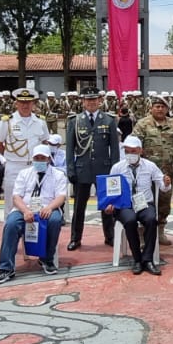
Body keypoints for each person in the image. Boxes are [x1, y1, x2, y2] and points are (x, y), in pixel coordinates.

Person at [0, 144, 67, 284]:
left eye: (42, 158)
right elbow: (16, 197)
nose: (39, 161)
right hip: (24, 208)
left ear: (48, 159)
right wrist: (25, 211)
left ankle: (47, 259)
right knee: (11, 224)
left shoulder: (58, 175)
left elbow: (61, 196)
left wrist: (50, 208)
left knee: (55, 221)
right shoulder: (24, 173)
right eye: (36, 158)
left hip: (47, 207)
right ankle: (6, 268)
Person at [65, 87, 120, 251]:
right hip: (82, 170)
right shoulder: (74, 121)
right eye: (88, 100)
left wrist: (114, 170)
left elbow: (115, 150)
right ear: (83, 102)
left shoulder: (109, 120)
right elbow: (69, 149)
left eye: (94, 100)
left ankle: (109, 236)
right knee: (79, 207)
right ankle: (75, 238)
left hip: (104, 169)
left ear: (100, 101)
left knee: (107, 206)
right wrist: (71, 169)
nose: (91, 103)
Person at [106, 135, 169, 276]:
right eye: (127, 151)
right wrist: (110, 203)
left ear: (141, 151)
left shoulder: (150, 166)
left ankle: (147, 259)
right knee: (130, 220)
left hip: (145, 203)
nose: (130, 154)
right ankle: (137, 258)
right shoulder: (117, 167)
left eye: (133, 151)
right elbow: (111, 189)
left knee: (151, 220)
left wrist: (166, 183)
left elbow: (163, 186)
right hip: (125, 205)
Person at [132, 96, 173, 246]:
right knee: (143, 201)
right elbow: (134, 145)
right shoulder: (142, 124)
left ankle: (160, 231)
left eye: (162, 107)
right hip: (145, 172)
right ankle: (142, 234)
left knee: (164, 202)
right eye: (157, 106)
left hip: (166, 171)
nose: (160, 109)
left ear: (167, 109)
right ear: (151, 108)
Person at [0, 88, 49, 203]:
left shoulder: (40, 121)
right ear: (16, 104)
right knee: (12, 199)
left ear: (33, 103)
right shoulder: (7, 121)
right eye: (22, 102)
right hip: (14, 166)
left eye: (28, 102)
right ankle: (11, 221)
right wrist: (8, 156)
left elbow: (45, 141)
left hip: (34, 166)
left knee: (35, 199)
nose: (25, 105)